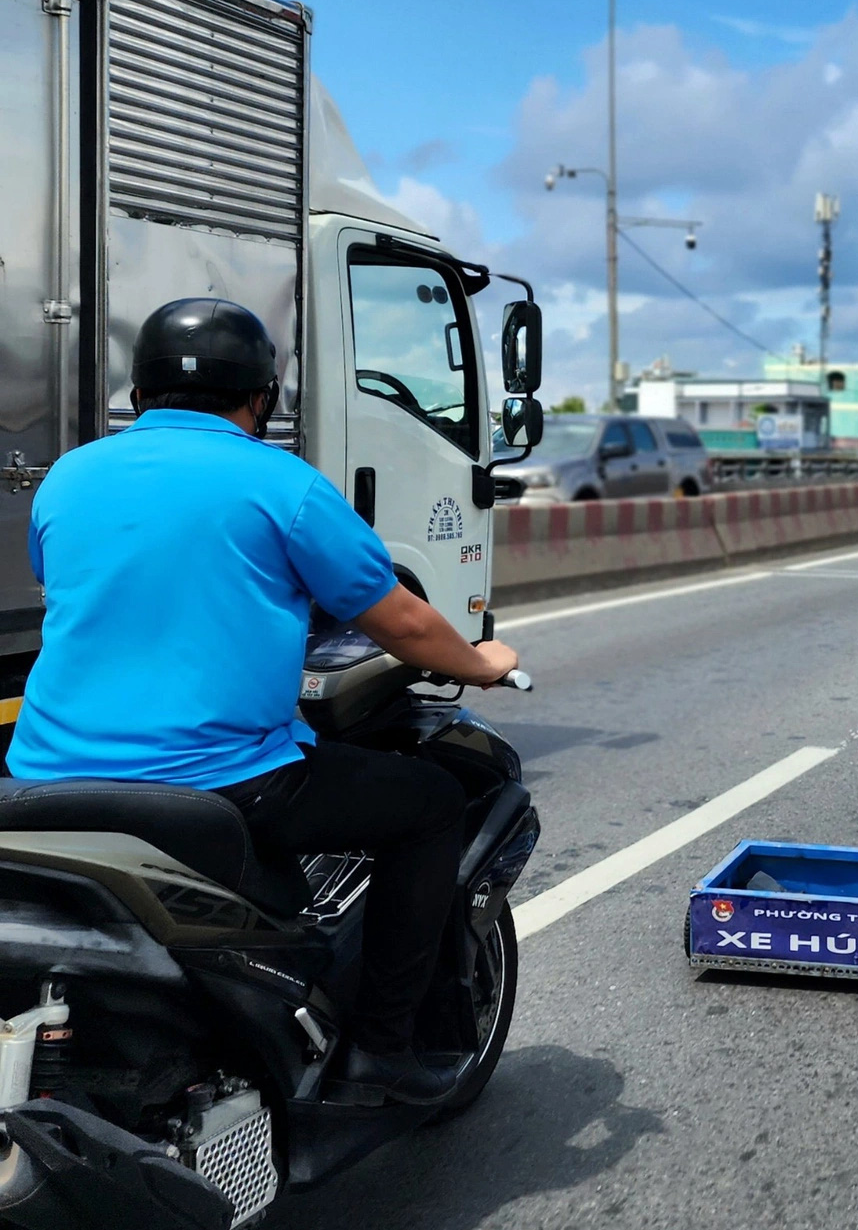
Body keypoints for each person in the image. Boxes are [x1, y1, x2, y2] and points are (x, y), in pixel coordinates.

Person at [5, 298, 519, 1105]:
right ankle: (383, 1049)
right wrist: (481, 661)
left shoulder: (67, 476)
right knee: (428, 802)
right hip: (220, 782)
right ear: (263, 397)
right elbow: (408, 624)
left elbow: (87, 586)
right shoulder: (285, 485)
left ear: (136, 396)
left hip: (40, 778)